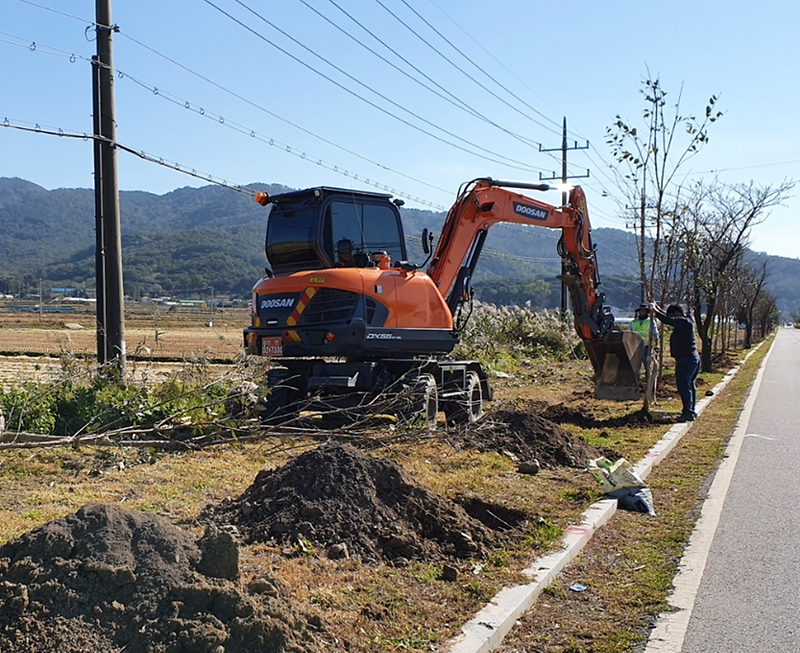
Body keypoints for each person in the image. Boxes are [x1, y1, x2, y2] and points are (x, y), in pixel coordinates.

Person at [650, 302, 700, 422]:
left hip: (686, 360)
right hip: (691, 359)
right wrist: (657, 308)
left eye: (672, 316)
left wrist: (655, 312)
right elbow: (668, 319)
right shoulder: (687, 321)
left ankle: (688, 412)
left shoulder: (684, 322)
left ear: (676, 314)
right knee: (689, 385)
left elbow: (668, 320)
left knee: (684, 386)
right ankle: (690, 410)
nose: (672, 319)